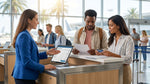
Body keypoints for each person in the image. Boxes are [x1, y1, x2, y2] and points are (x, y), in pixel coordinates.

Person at [12, 9, 60, 84]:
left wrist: (46, 53)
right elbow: (26, 61)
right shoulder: (24, 36)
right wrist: (44, 67)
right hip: (24, 77)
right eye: (36, 19)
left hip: (25, 76)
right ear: (29, 20)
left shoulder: (26, 34)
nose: (38, 22)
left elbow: (31, 56)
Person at [95, 15, 134, 84]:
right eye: (109, 25)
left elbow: (129, 59)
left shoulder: (128, 39)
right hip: (112, 70)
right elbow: (110, 54)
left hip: (124, 70)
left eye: (111, 25)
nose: (109, 28)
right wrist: (102, 53)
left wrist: (113, 55)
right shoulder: (112, 39)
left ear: (118, 26)